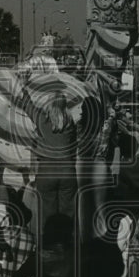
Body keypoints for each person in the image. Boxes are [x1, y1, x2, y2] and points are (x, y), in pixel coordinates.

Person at [32, 92, 78, 228]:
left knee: (47, 213)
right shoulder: (70, 124)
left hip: (46, 171)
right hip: (67, 171)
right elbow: (74, 149)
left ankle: (49, 244)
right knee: (67, 213)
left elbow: (28, 106)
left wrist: (23, 86)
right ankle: (66, 243)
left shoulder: (42, 121)